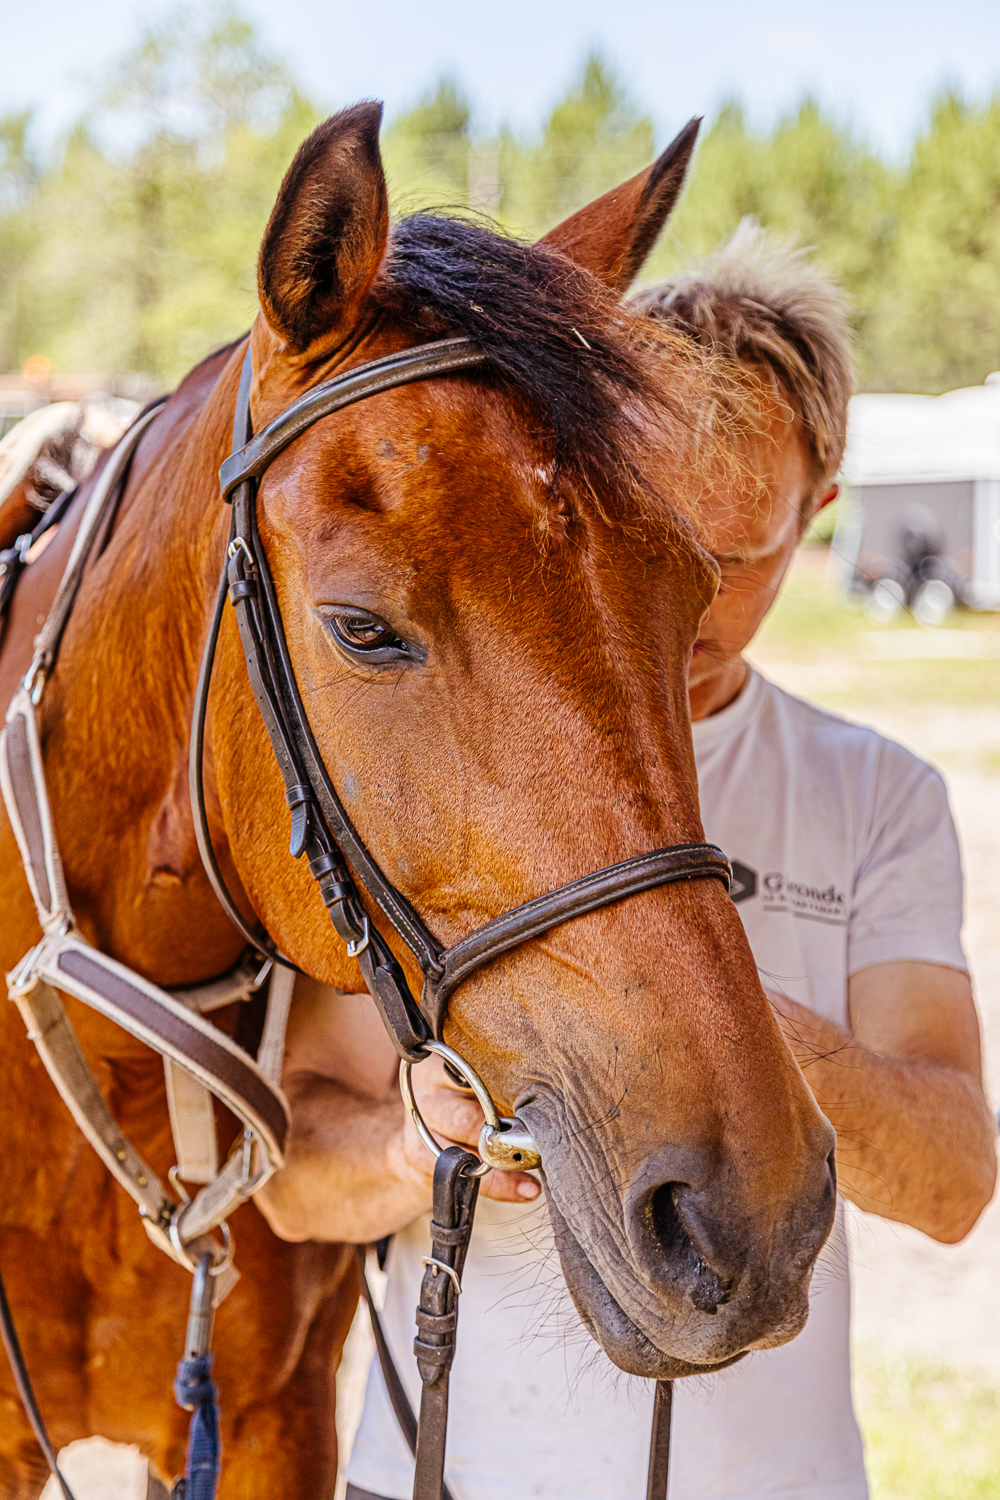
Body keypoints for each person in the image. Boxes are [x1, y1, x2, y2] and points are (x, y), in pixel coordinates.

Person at [256, 223, 997, 1500]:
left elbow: (949, 1182)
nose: (694, 608)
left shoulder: (877, 793)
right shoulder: (450, 761)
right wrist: (407, 1146)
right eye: (658, 543)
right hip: (435, 1470)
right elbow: (293, 1180)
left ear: (819, 518)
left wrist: (709, 1022)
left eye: (739, 557)